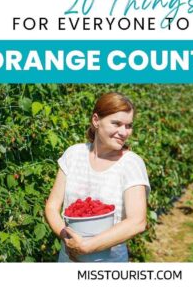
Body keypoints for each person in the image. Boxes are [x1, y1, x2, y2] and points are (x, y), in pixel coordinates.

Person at [45, 92, 150, 262]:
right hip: (68, 259)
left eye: (128, 126)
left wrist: (86, 247)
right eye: (116, 123)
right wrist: (68, 239)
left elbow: (137, 222)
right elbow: (51, 207)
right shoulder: (73, 155)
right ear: (96, 121)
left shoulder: (131, 164)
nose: (124, 132)